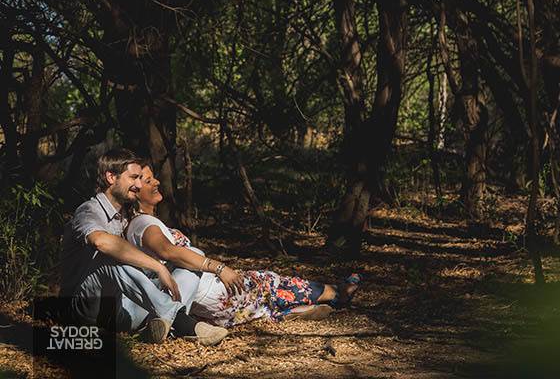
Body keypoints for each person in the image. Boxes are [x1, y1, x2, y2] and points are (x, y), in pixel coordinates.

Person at [124, 163, 361, 327]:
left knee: (263, 300)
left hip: (209, 303)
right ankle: (337, 293)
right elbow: (169, 251)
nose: (156, 181)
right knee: (270, 281)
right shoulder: (143, 223)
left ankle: (297, 312)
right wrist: (219, 268)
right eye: (147, 180)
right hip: (213, 293)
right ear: (135, 190)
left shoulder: (148, 222)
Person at [59, 148, 229, 345]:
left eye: (140, 178)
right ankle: (182, 322)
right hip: (83, 309)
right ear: (111, 177)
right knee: (109, 257)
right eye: (133, 178)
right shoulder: (88, 211)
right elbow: (101, 242)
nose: (138, 185)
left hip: (120, 310)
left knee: (191, 255)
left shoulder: (123, 216)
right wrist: (157, 267)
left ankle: (160, 324)